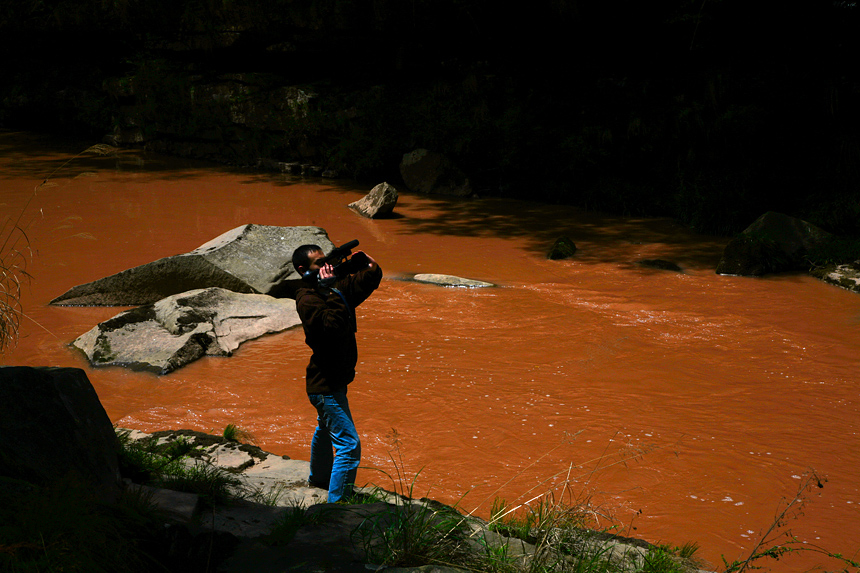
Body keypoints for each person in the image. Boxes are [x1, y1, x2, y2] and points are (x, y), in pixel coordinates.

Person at [290, 243, 382, 502]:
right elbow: (331, 326)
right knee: (349, 446)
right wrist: (332, 288)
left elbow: (358, 287)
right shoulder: (308, 298)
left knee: (325, 426)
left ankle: (318, 480)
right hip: (325, 385)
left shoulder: (332, 289)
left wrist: (370, 268)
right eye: (319, 263)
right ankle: (336, 506)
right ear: (303, 270)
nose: (326, 266)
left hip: (334, 381)